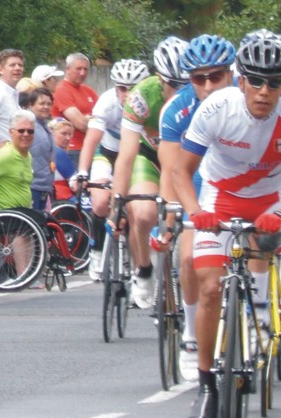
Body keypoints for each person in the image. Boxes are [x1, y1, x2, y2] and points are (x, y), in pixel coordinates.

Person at [171, 37, 281, 418]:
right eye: (256, 81)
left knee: (263, 252)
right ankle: (206, 386)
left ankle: (258, 309)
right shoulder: (216, 108)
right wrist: (196, 212)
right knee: (208, 288)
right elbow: (180, 172)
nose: (265, 91)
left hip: (271, 200)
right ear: (241, 81)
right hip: (219, 200)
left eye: (274, 83)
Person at [158, 33, 236, 382]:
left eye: (215, 76)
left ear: (231, 74)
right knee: (188, 257)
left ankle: (258, 311)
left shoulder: (249, 100)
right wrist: (171, 216)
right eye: (197, 78)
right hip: (197, 185)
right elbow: (173, 170)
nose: (207, 85)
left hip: (239, 182)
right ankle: (191, 338)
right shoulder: (177, 109)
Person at [110, 36, 189, 309]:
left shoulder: (200, 96)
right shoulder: (142, 96)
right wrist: (117, 201)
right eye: (172, 84)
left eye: (185, 84)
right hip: (149, 155)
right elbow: (127, 155)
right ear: (159, 78)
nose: (179, 91)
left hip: (185, 159)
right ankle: (143, 269)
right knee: (142, 212)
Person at [77, 59, 150, 281]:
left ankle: (139, 264)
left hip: (138, 157)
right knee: (100, 201)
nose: (127, 94)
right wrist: (82, 172)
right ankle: (97, 250)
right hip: (108, 153)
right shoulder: (107, 102)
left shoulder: (151, 103)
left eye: (133, 89)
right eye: (122, 88)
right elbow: (91, 141)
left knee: (137, 208)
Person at [51, 53, 98, 168]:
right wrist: (92, 121)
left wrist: (88, 119)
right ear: (68, 69)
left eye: (85, 69)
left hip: (90, 148)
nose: (82, 73)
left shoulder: (89, 91)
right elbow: (81, 124)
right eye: (78, 68)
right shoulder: (62, 90)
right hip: (72, 149)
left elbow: (105, 118)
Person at [28, 87, 55, 210]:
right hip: (32, 184)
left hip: (43, 185)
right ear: (31, 105)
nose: (46, 107)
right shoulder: (28, 126)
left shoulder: (45, 126)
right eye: (42, 103)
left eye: (49, 104)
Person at [49, 117, 76, 200]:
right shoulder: (57, 152)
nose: (68, 138)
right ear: (51, 133)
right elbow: (75, 184)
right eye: (63, 134)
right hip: (60, 196)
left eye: (70, 134)